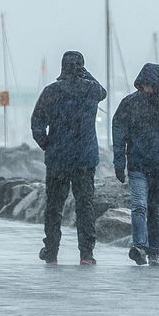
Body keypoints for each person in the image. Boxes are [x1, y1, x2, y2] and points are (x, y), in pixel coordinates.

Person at [31, 51, 106, 265]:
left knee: (54, 207)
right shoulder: (91, 90)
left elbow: (37, 122)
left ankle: (51, 251)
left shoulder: (51, 91)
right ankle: (86, 254)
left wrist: (47, 144)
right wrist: (85, 74)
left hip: (58, 158)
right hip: (84, 158)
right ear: (82, 67)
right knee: (85, 206)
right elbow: (103, 91)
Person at [112, 63, 159, 266]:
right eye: (145, 84)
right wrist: (119, 161)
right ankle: (139, 246)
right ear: (140, 83)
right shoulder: (129, 103)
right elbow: (118, 130)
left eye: (152, 85)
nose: (148, 88)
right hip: (137, 164)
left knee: (157, 210)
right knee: (138, 206)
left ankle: (154, 252)